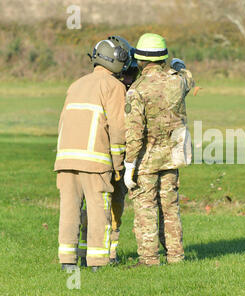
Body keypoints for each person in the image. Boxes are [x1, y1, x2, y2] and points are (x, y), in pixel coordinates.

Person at [55, 37, 128, 271]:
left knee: (69, 209)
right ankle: (97, 262)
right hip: (95, 162)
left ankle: (68, 261)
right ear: (116, 60)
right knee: (98, 211)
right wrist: (118, 165)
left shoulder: (76, 84)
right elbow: (118, 129)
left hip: (65, 159)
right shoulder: (114, 87)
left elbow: (63, 122)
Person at [124, 33, 194, 267]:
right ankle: (176, 256)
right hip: (173, 157)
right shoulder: (178, 81)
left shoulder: (137, 90)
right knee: (170, 208)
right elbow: (188, 77)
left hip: (146, 161)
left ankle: (149, 259)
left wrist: (129, 164)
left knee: (146, 209)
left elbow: (134, 132)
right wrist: (178, 65)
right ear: (163, 56)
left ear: (140, 59)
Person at [78, 36, 138, 266]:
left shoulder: (101, 84)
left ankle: (105, 253)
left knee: (111, 209)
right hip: (106, 158)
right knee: (101, 208)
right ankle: (98, 255)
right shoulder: (111, 87)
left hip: (104, 157)